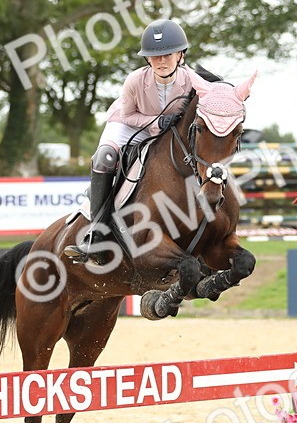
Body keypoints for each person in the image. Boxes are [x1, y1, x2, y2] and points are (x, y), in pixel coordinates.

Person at [64, 18, 219, 261]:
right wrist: (158, 122)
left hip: (168, 130)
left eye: (168, 55)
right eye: (155, 56)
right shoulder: (135, 80)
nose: (162, 61)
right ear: (147, 59)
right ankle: (97, 233)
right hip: (129, 124)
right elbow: (128, 115)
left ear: (181, 55)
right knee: (105, 157)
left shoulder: (193, 80)